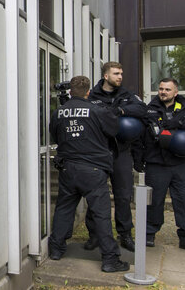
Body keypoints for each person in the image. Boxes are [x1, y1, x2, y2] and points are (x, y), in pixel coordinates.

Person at [48, 75, 129, 273]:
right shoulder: (97, 110)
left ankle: (56, 249)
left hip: (68, 169)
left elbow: (55, 134)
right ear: (88, 92)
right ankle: (110, 259)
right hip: (93, 169)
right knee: (101, 214)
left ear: (70, 92)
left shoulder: (59, 112)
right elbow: (114, 129)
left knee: (64, 209)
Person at [134, 78, 185, 254]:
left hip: (179, 164)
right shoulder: (148, 110)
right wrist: (137, 159)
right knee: (154, 202)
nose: (163, 92)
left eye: (167, 89)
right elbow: (138, 137)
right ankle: (149, 234)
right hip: (156, 164)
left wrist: (178, 122)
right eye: (161, 89)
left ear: (175, 92)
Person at [83, 62, 147, 252]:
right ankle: (94, 235)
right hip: (98, 152)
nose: (120, 77)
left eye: (121, 73)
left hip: (121, 153)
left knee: (123, 195)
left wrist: (121, 110)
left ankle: (125, 234)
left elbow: (142, 111)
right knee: (95, 195)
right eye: (116, 74)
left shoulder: (127, 96)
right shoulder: (92, 96)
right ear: (106, 76)